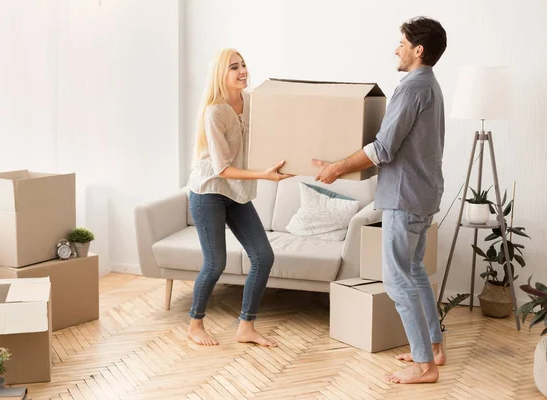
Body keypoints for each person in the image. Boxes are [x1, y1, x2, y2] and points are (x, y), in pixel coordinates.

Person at [313, 17, 448, 384]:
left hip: (405, 197)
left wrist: (336, 168)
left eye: (401, 43)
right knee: (416, 272)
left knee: (397, 280)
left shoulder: (410, 89)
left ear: (418, 50)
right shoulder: (431, 87)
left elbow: (384, 148)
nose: (396, 49)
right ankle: (434, 348)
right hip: (425, 193)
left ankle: (424, 366)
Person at [187, 48, 292, 347]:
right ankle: (195, 324)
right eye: (234, 67)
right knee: (215, 263)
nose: (242, 71)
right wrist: (264, 175)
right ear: (222, 74)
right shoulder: (215, 111)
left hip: (236, 192)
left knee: (263, 256)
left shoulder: (252, 101)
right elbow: (222, 168)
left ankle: (246, 326)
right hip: (209, 190)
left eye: (244, 65)